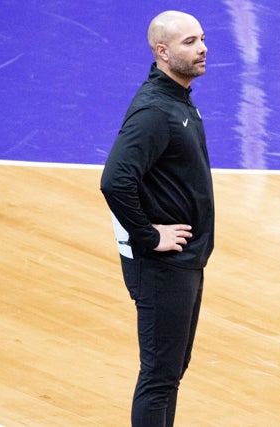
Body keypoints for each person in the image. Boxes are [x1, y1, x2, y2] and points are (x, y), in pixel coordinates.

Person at [100, 10, 213, 427]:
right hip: (161, 266)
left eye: (201, 38)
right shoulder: (155, 112)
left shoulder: (178, 99)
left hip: (185, 261)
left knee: (170, 372)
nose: (202, 48)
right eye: (189, 42)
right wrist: (149, 236)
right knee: (159, 377)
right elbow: (114, 181)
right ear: (162, 52)